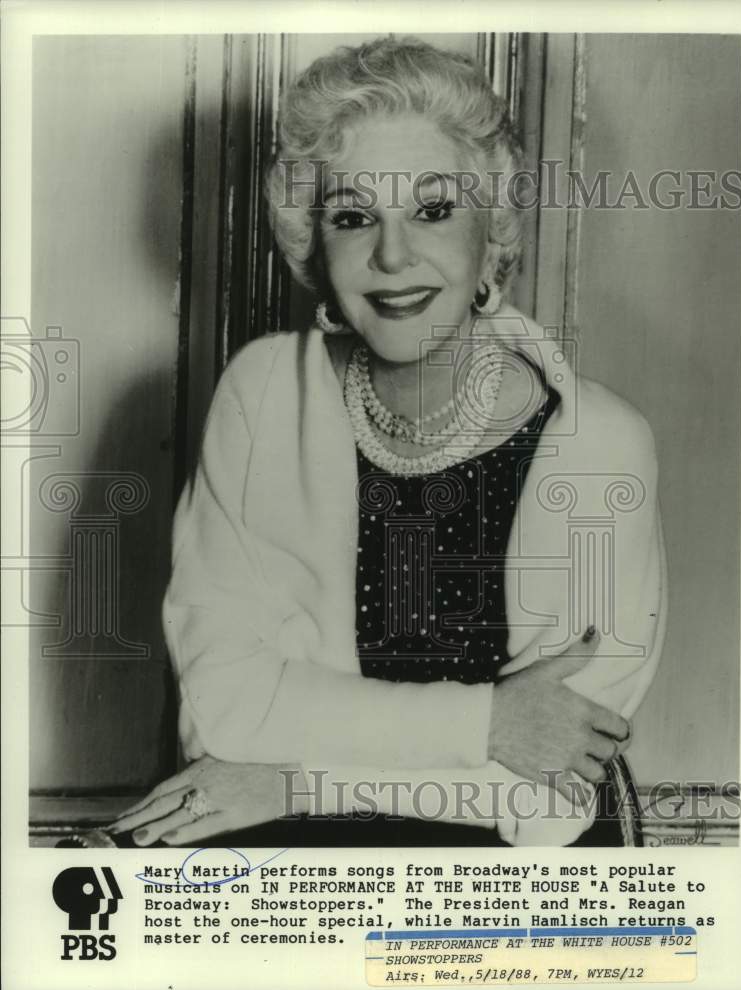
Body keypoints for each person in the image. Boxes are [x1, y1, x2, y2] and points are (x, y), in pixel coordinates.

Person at [111, 37, 667, 849]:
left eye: (435, 210)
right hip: (276, 805)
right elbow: (226, 710)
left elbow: (549, 779)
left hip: (509, 843)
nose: (394, 255)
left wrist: (300, 783)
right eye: (353, 217)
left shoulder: (601, 444)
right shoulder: (263, 394)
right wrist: (488, 719)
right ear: (314, 244)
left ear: (494, 230)